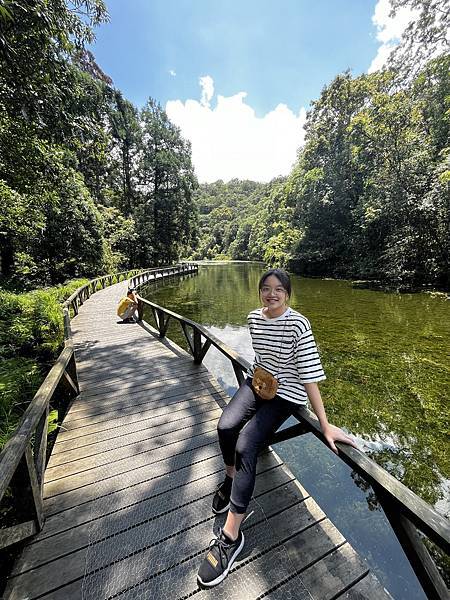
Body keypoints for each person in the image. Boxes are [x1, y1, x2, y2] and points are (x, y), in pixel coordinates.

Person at [197, 268, 357, 588]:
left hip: (287, 395)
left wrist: (325, 426)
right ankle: (231, 479)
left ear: (287, 294)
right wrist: (258, 383)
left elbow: (309, 376)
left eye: (278, 290)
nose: (272, 294)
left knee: (246, 444)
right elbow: (262, 356)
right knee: (225, 426)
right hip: (259, 382)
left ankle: (230, 537)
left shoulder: (299, 324)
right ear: (259, 292)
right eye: (266, 288)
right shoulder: (254, 318)